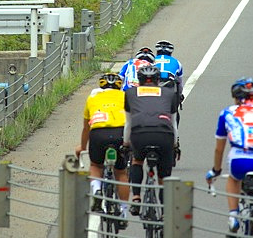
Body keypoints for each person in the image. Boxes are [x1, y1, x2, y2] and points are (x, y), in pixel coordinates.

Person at [206, 78, 253, 237]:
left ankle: (233, 215)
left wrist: (215, 171)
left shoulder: (227, 113)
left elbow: (219, 149)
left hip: (239, 161)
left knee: (233, 178)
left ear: (236, 98)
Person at [75, 72, 130, 228]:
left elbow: (86, 128)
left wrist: (82, 147)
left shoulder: (92, 98)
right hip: (120, 133)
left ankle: (97, 189)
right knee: (121, 173)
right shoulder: (126, 97)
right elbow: (133, 122)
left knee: (95, 166)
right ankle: (124, 211)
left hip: (98, 134)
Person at [123, 64, 179, 215]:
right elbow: (173, 123)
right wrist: (174, 145)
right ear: (157, 80)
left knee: (137, 161)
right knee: (163, 175)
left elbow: (128, 123)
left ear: (139, 80)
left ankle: (136, 198)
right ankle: (165, 209)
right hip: (164, 134)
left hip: (140, 133)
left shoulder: (130, 93)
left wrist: (126, 143)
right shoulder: (169, 93)